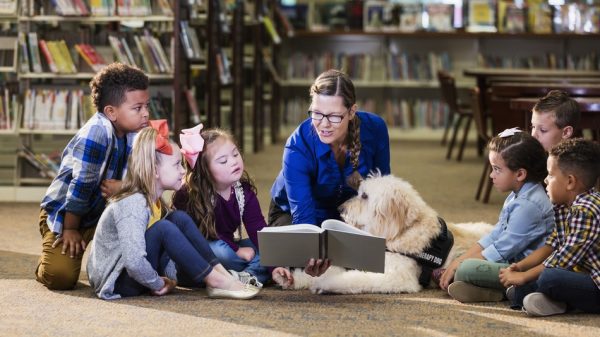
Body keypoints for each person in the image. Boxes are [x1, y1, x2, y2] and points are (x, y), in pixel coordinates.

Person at [87, 121, 260, 300]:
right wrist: (158, 283)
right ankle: (215, 280)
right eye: (177, 165)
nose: (182, 172)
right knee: (164, 228)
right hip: (118, 281)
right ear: (155, 171)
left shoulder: (156, 202)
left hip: (139, 272)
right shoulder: (133, 203)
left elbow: (168, 248)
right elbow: (133, 262)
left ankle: (220, 274)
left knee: (179, 218)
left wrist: (172, 277)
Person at [36, 63, 150, 290]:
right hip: (68, 215)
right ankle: (45, 264)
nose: (146, 113)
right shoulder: (98, 132)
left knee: (131, 271)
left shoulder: (136, 131)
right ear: (111, 112)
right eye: (137, 108)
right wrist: (70, 230)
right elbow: (80, 187)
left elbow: (150, 177)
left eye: (147, 106)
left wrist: (126, 186)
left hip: (102, 214)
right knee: (60, 277)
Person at [269, 69, 391, 279]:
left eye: (334, 116)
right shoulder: (296, 146)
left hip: (349, 215)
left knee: (389, 253)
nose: (323, 124)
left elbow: (382, 190)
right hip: (293, 214)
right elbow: (303, 218)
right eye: (316, 113)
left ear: (352, 111)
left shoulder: (376, 128)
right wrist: (312, 250)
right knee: (307, 258)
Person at [439, 128, 554, 303]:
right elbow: (494, 234)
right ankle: (493, 293)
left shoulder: (529, 205)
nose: (491, 175)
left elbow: (501, 249)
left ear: (520, 174)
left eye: (497, 169)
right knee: (460, 261)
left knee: (465, 270)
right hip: (509, 262)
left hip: (524, 271)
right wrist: (458, 261)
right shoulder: (517, 194)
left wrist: (459, 265)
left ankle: (502, 289)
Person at [173, 128, 289, 287]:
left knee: (269, 245)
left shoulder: (243, 191)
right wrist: (236, 250)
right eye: (223, 161)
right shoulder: (189, 194)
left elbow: (258, 229)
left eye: (235, 154)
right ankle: (247, 272)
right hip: (199, 252)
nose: (234, 161)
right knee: (220, 251)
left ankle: (245, 277)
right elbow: (198, 236)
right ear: (204, 170)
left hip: (227, 244)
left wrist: (275, 266)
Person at [499, 138, 600, 316]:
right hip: (581, 273)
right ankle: (543, 299)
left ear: (570, 182)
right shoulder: (563, 206)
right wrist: (521, 267)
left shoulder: (586, 210)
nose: (545, 180)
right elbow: (552, 245)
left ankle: (563, 304)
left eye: (550, 175)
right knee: (532, 281)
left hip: (596, 283)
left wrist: (524, 276)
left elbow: (563, 260)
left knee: (549, 278)